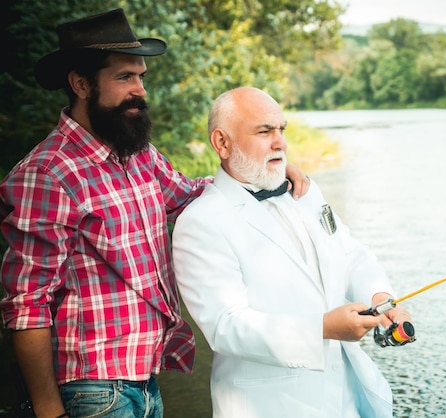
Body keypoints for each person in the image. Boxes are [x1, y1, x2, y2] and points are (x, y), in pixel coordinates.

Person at [0, 10, 308, 418]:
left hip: (144, 381)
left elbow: (192, 194)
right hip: (90, 390)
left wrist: (265, 171)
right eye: (125, 77)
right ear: (80, 84)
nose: (140, 90)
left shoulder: (137, 152)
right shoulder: (47, 174)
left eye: (142, 77)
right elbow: (27, 305)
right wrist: (48, 411)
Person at [172, 86, 414, 417]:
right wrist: (323, 328)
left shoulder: (304, 190)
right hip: (271, 406)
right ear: (222, 143)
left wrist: (380, 298)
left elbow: (350, 255)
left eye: (281, 129)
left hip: (349, 398)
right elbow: (226, 327)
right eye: (264, 131)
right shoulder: (200, 222)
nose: (280, 142)